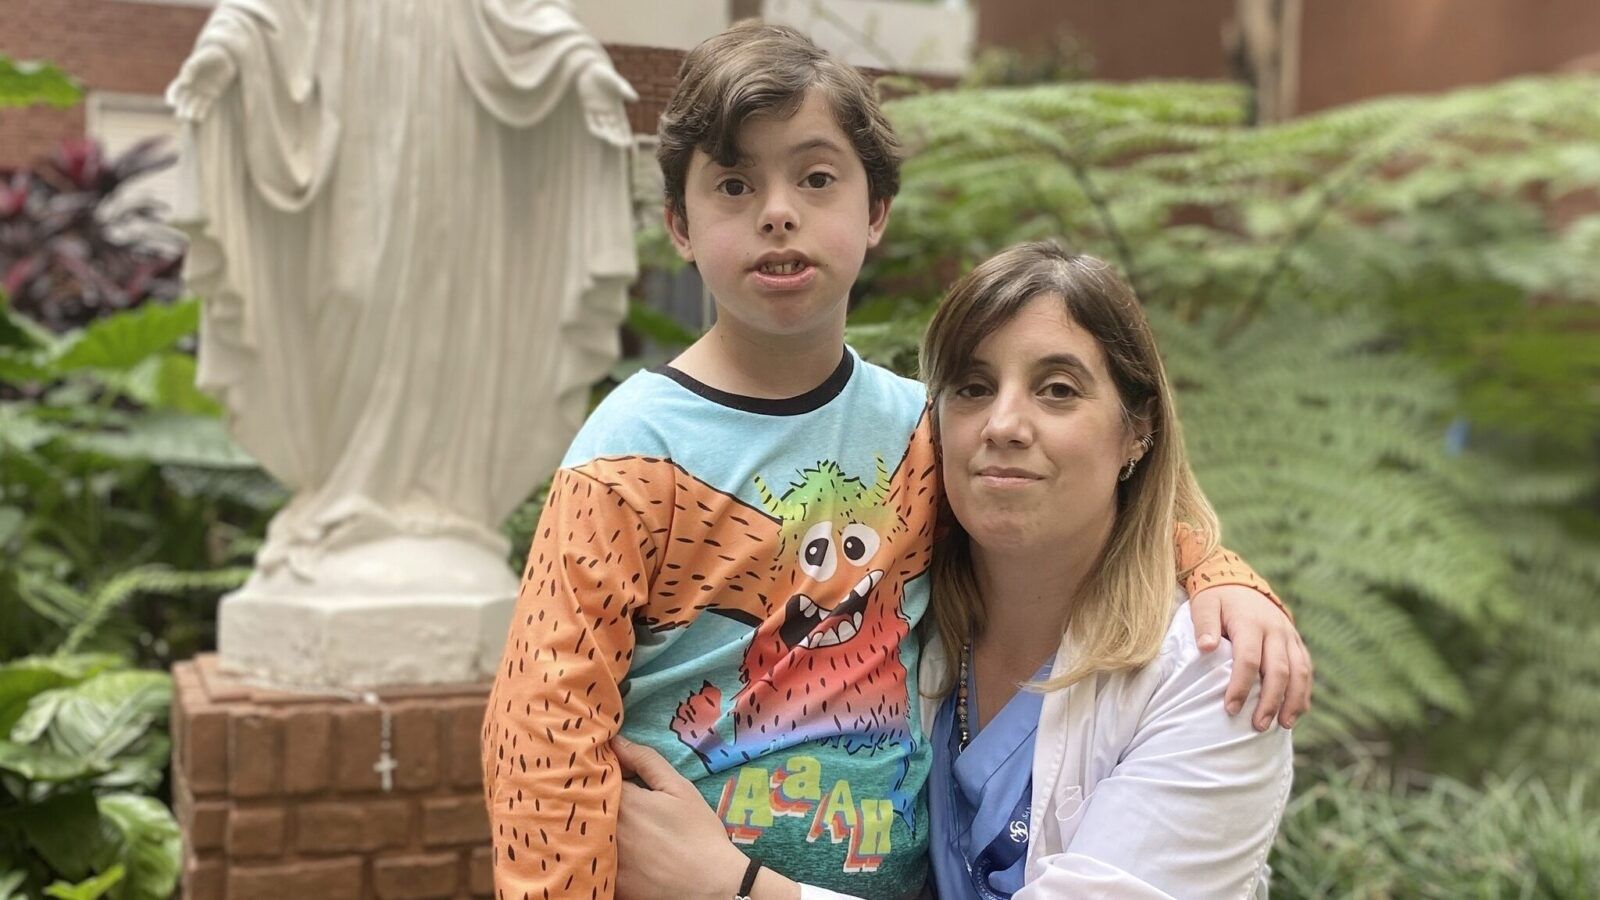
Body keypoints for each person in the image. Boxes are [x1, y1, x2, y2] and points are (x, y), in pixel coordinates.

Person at [482, 23, 1310, 900]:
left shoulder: (923, 430)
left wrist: (1217, 572)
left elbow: (1093, 513)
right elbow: (545, 719)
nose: (777, 210)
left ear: (875, 212)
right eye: (734, 183)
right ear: (679, 226)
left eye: (816, 177)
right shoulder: (629, 453)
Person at [611, 243, 1298, 899]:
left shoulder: (1216, 676)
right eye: (972, 387)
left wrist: (735, 886)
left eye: (1057, 390)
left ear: (1137, 429)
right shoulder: (901, 603)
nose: (1003, 423)